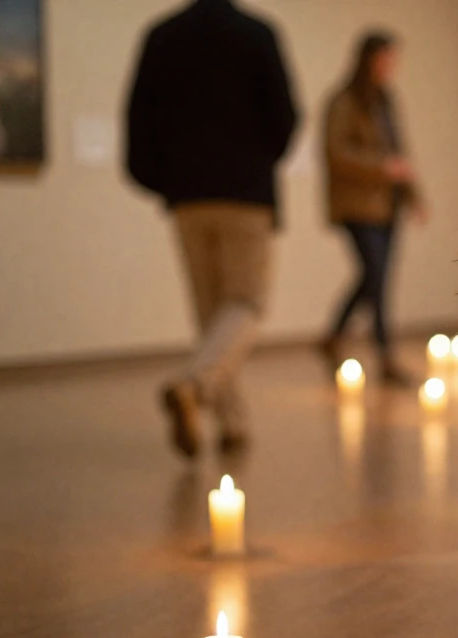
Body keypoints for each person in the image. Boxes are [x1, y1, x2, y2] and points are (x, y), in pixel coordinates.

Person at [125, 0, 297, 458]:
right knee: (247, 303)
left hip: (187, 196)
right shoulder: (257, 33)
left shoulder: (162, 36)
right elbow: (285, 116)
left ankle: (233, 422)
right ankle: (193, 384)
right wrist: (255, 163)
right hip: (245, 194)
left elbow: (138, 121)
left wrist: (164, 181)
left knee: (211, 314)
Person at [319, 31, 425, 385]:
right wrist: (382, 168)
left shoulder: (386, 99)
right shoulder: (343, 101)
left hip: (388, 206)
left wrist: (413, 197)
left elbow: (399, 151)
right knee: (375, 276)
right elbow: (337, 153)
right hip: (357, 207)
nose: (390, 67)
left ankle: (334, 336)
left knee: (376, 278)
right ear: (367, 60)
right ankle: (384, 356)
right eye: (384, 59)